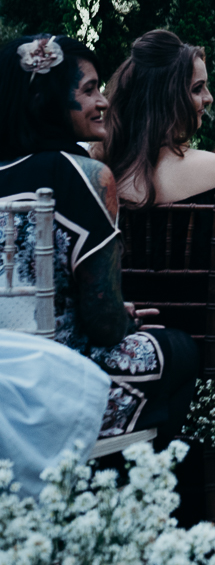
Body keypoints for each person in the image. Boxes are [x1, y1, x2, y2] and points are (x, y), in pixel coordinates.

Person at [0, 33, 199, 442]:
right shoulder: (82, 176)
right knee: (179, 348)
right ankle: (142, 479)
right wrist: (123, 318)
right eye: (89, 91)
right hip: (61, 376)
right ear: (46, 100)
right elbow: (104, 323)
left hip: (6, 372)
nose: (103, 102)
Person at [101, 30, 215, 387]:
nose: (208, 98)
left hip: (125, 344)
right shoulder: (211, 170)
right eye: (197, 89)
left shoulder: (101, 172)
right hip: (197, 346)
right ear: (167, 95)